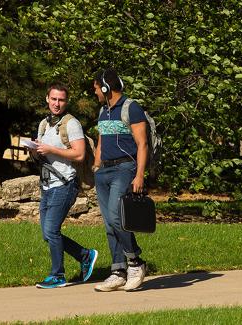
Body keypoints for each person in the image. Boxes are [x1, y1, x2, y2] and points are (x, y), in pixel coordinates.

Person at [32, 82, 98, 289]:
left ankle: (57, 275)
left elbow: (79, 154)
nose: (57, 103)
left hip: (66, 183)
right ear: (47, 99)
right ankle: (85, 255)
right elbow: (43, 155)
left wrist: (51, 149)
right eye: (53, 99)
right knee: (47, 234)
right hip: (47, 185)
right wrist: (35, 150)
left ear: (66, 102)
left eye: (61, 100)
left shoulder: (71, 124)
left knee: (51, 230)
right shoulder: (44, 124)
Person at [92, 68, 148, 292]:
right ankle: (118, 271)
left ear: (106, 88)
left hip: (125, 169)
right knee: (108, 223)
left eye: (96, 88)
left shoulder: (131, 108)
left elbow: (142, 144)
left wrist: (140, 174)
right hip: (104, 172)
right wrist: (96, 166)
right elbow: (101, 140)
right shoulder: (103, 111)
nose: (94, 92)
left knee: (117, 218)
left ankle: (135, 262)